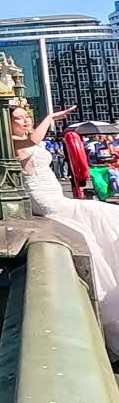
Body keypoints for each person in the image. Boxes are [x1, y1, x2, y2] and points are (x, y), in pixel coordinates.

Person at [13, 104, 119, 357]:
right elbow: (33, 141)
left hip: (55, 194)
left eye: (27, 116)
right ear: (7, 123)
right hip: (47, 200)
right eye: (19, 118)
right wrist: (49, 117)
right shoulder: (10, 142)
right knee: (99, 214)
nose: (26, 121)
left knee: (100, 218)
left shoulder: (23, 139)